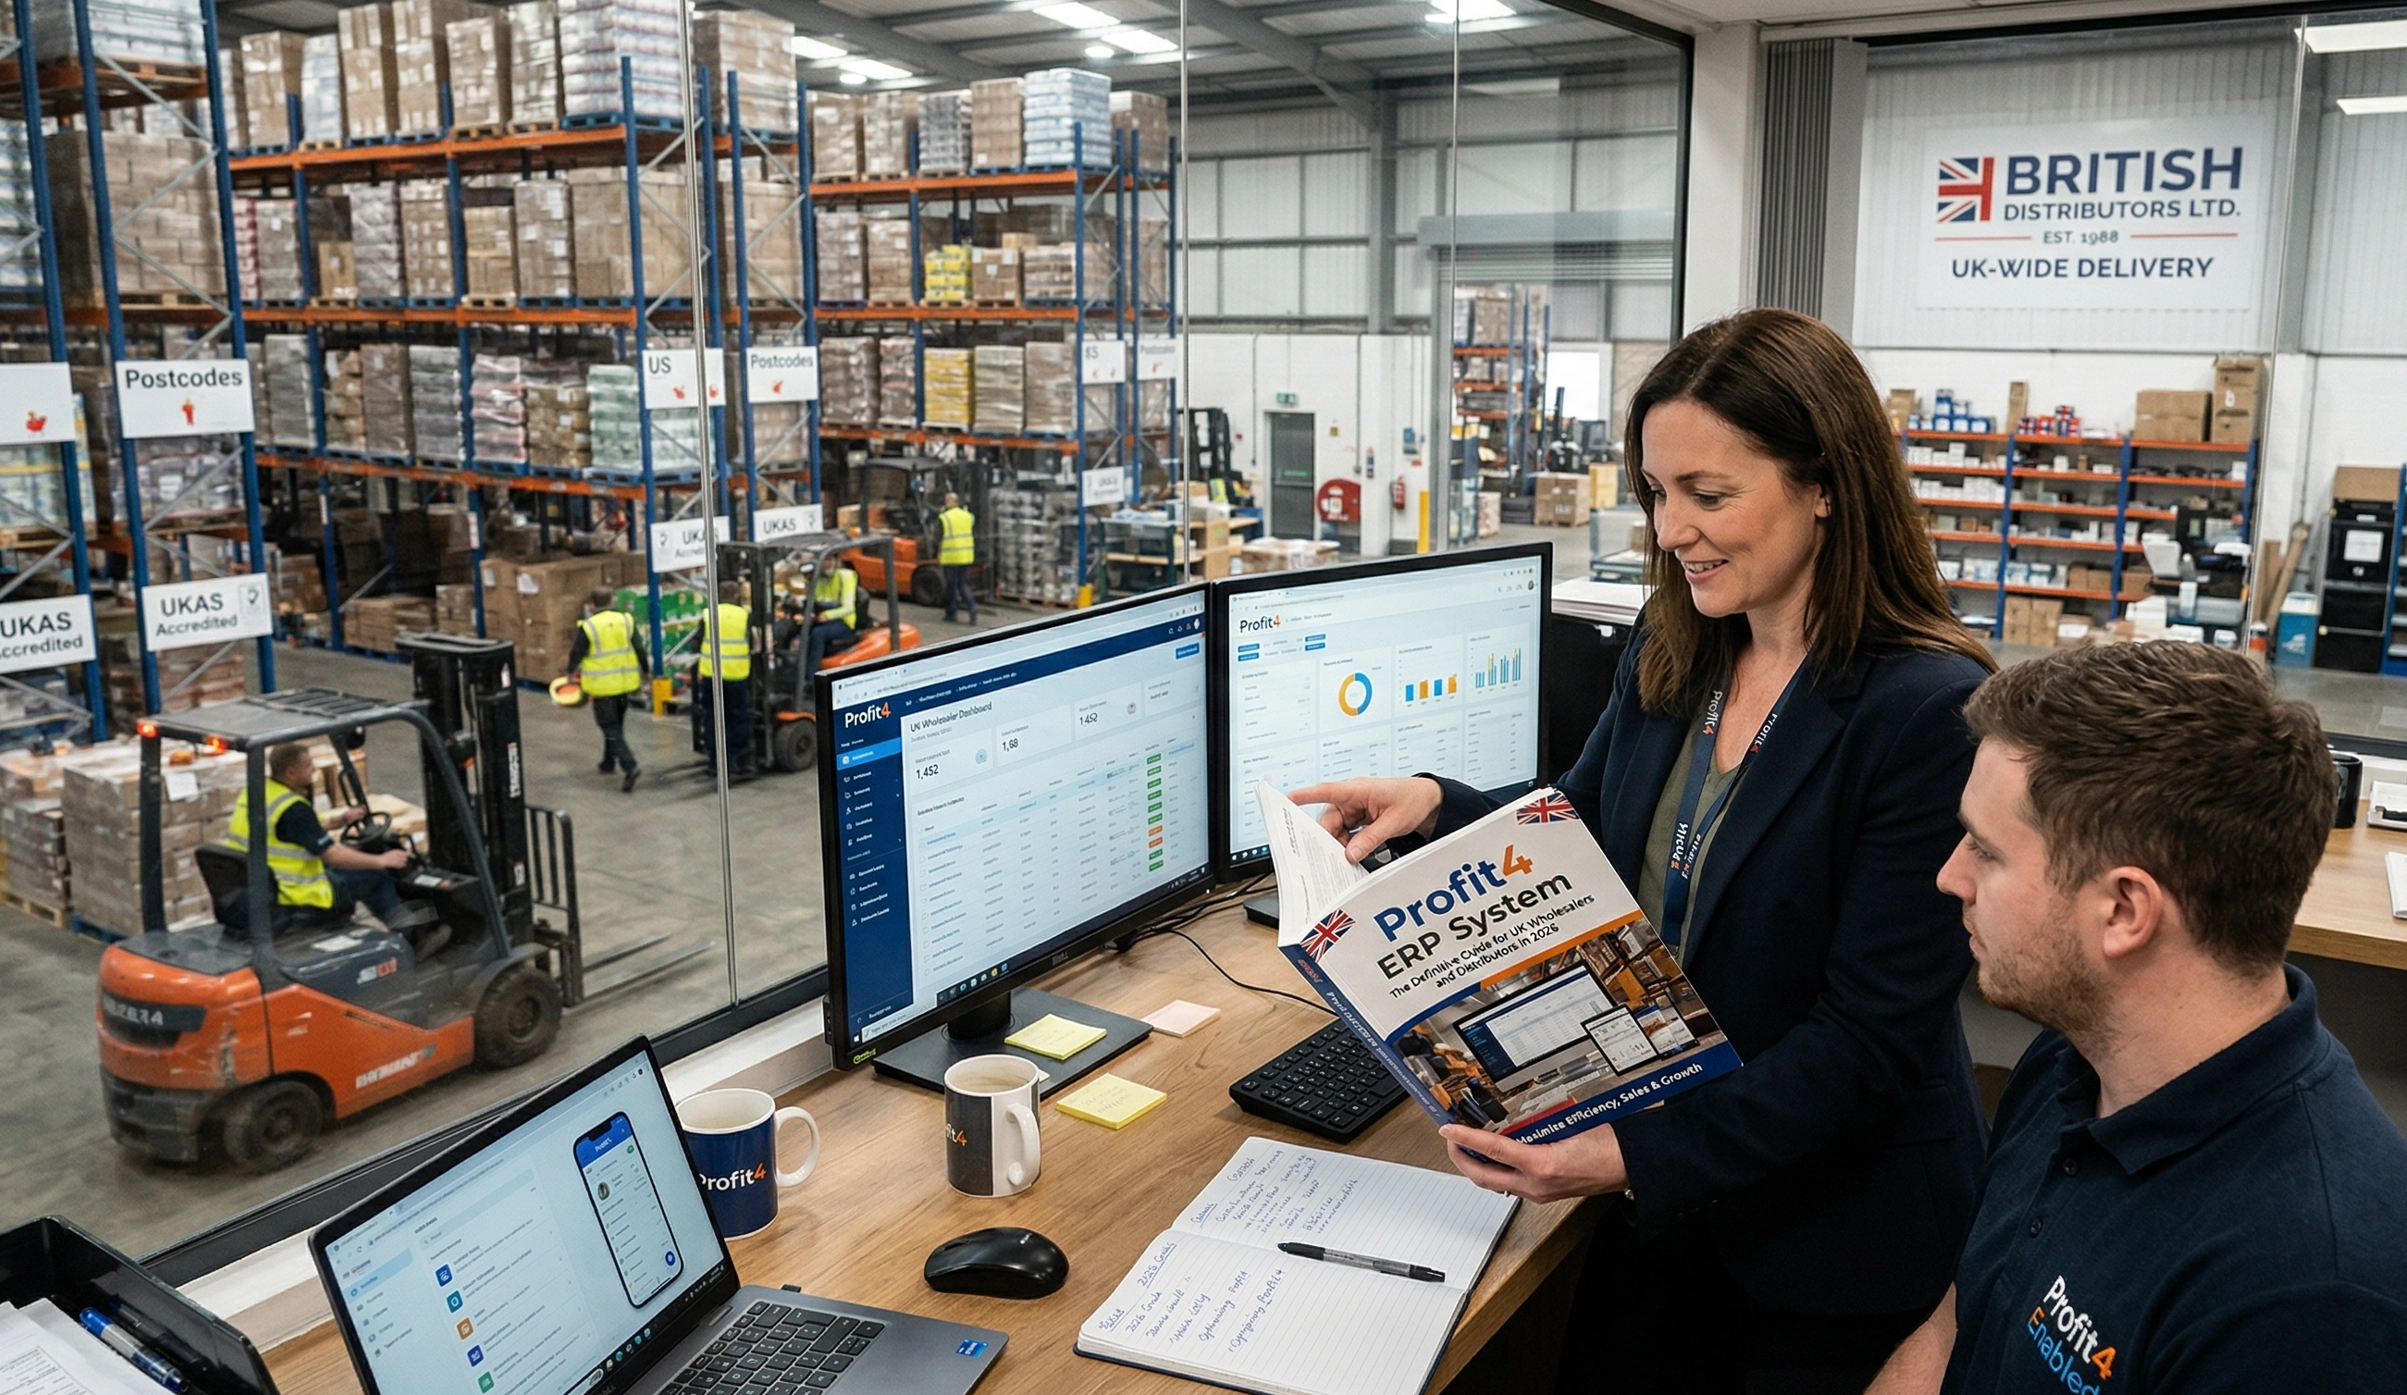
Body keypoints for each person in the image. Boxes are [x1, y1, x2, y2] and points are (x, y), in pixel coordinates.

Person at [1293, 307, 1997, 1393]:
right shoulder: (1676, 650)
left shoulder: (1925, 712)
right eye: (1658, 494)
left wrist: (1622, 1157)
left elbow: (1866, 1047)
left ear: (1824, 484)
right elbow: (1573, 840)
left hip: (1819, 1243)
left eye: (1709, 495)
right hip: (1660, 1204)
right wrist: (1438, 803)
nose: (1672, 531)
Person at [1867, 644, 2407, 1394]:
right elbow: (1958, 1323)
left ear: (2123, 909)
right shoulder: (2073, 1061)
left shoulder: (2307, 1298)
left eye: (1985, 851)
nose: (1948, 874)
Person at [228, 743, 441, 953]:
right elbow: (333, 854)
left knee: (354, 872)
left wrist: (339, 821)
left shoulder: (259, 793)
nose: (314, 769)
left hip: (263, 889)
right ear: (291, 772)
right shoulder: (293, 809)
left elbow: (290, 831)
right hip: (297, 896)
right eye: (309, 765)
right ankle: (414, 941)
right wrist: (383, 860)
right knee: (376, 878)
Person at [567, 585, 647, 792]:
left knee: (609, 726)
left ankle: (630, 765)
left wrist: (569, 674)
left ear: (592, 605)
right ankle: (608, 762)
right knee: (615, 725)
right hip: (625, 684)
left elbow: (577, 652)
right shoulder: (626, 620)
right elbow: (639, 648)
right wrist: (646, 671)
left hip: (602, 688)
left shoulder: (589, 626)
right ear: (612, 600)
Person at [691, 580, 756, 778]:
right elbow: (754, 643)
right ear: (737, 595)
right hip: (736, 675)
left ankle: (715, 763)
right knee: (737, 717)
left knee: (712, 718)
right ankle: (737, 760)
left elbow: (695, 643)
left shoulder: (708, 613)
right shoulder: (745, 615)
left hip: (711, 675)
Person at [804, 559, 860, 674]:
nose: (828, 563)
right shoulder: (818, 578)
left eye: (830, 560)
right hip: (822, 619)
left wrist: (827, 615)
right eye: (824, 560)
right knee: (796, 629)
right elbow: (814, 601)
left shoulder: (846, 577)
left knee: (818, 634)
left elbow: (848, 608)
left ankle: (809, 678)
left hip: (843, 622)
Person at [938, 490, 976, 624]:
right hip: (966, 555)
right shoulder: (968, 516)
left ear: (950, 502)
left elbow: (938, 535)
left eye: (946, 501)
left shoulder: (945, 517)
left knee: (951, 585)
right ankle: (972, 608)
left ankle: (951, 612)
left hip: (951, 556)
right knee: (962, 583)